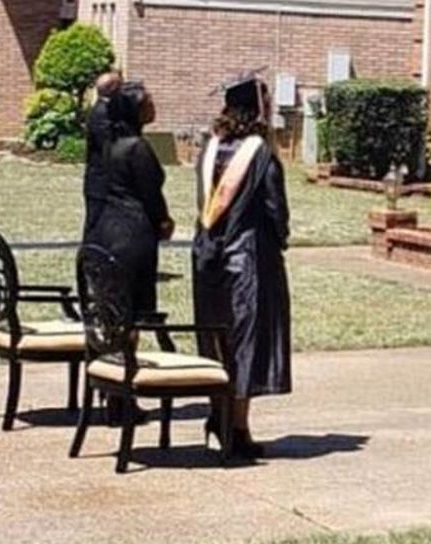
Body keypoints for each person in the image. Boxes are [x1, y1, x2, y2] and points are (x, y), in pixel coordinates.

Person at [193, 70, 291, 459]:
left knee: (216, 341)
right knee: (246, 343)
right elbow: (274, 210)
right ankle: (237, 427)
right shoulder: (260, 154)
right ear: (257, 109)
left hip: (207, 258)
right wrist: (280, 239)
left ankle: (218, 415)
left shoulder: (209, 148)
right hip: (249, 260)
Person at [88, 81, 174, 316]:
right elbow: (150, 192)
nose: (153, 106)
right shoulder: (137, 148)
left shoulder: (111, 144)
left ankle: (115, 350)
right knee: (134, 310)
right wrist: (163, 221)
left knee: (114, 307)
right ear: (135, 110)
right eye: (148, 103)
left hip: (108, 227)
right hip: (134, 232)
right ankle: (127, 352)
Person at [84, 70, 122, 240]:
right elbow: (109, 146)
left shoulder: (105, 110)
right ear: (114, 89)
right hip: (100, 182)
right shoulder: (102, 114)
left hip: (102, 181)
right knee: (95, 226)